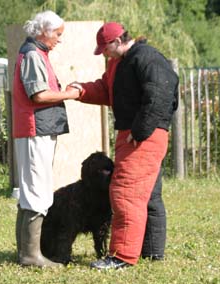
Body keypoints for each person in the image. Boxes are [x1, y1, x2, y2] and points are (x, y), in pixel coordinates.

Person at [70, 22, 179, 269]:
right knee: (148, 195)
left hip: (142, 135)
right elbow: (108, 91)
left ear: (118, 41)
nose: (104, 54)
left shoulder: (146, 57)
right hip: (134, 134)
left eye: (105, 48)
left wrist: (141, 130)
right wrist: (81, 91)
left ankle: (121, 256)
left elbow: (161, 92)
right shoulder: (118, 63)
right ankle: (151, 252)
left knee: (125, 192)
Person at [12, 10, 80, 268]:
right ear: (43, 30)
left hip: (35, 129)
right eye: (58, 34)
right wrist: (70, 94)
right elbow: (38, 95)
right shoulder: (32, 54)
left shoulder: (36, 52)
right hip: (34, 129)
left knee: (33, 190)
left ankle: (26, 253)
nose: (60, 39)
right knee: (37, 192)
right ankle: (30, 256)